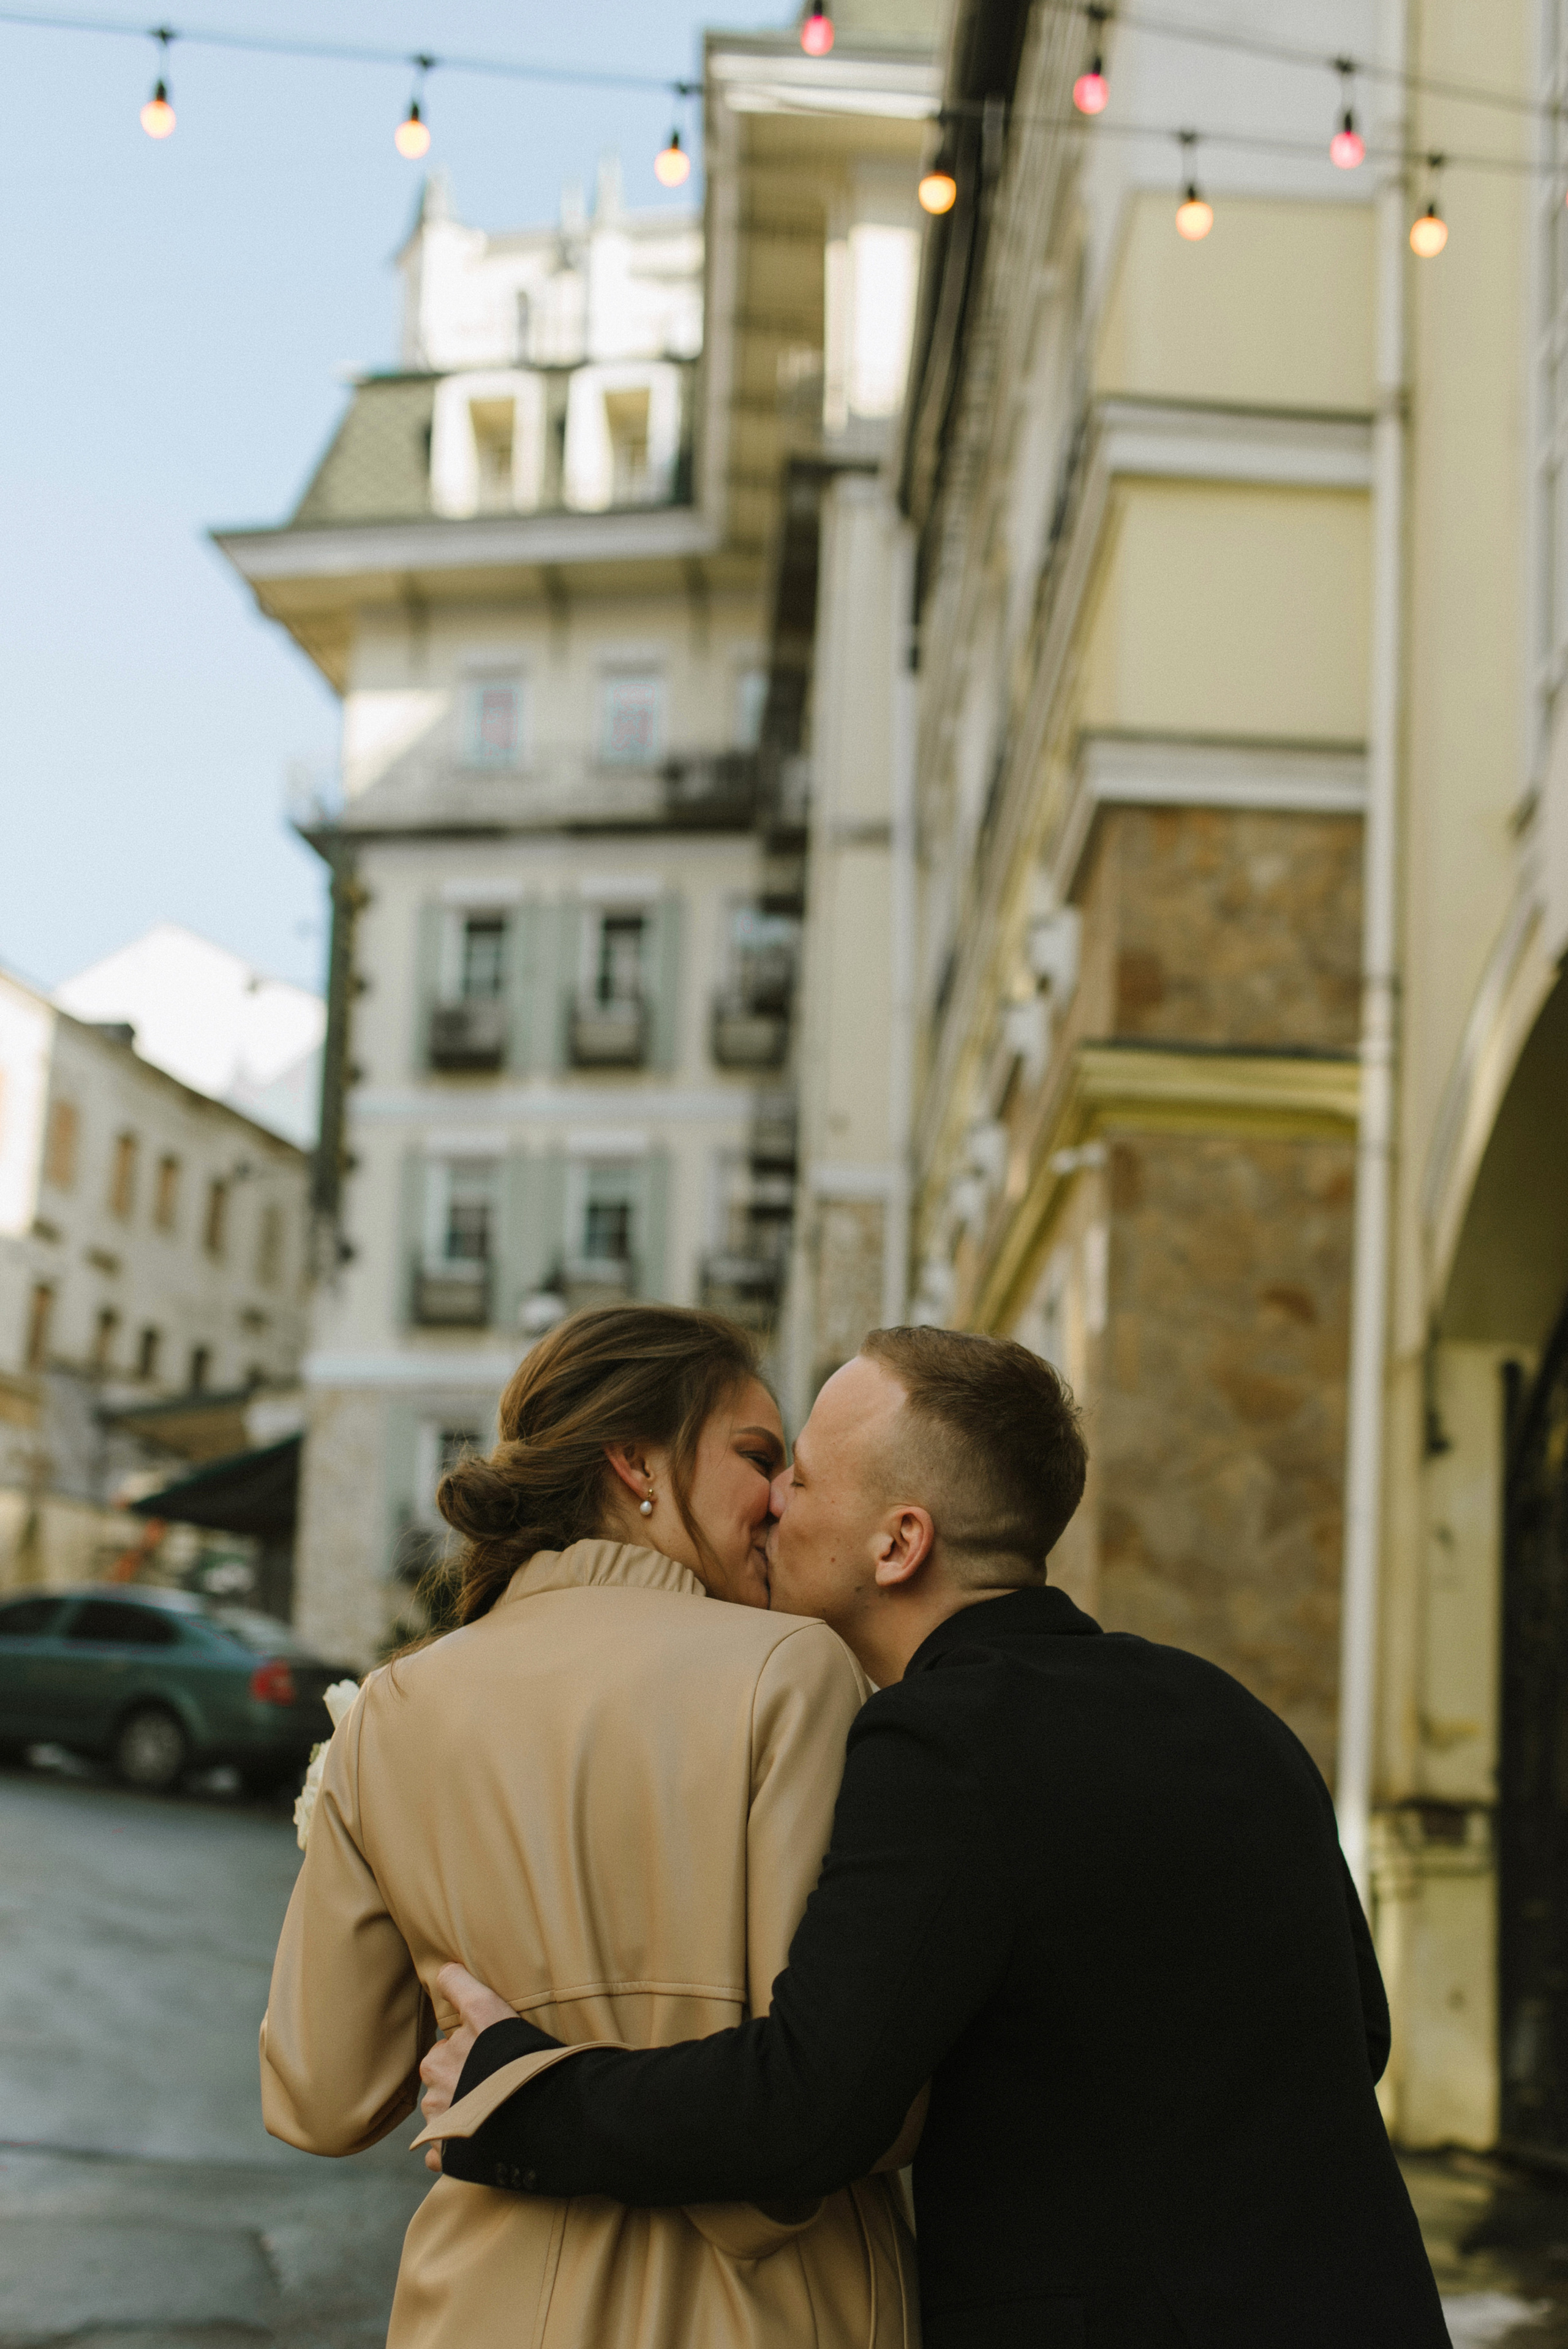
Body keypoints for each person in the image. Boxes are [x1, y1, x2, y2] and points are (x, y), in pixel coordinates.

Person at [417, 1325, 1450, 2349]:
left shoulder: (946, 1738)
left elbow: (808, 2109)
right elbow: (1357, 2030)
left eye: (806, 1481)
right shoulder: (1230, 1710)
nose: (772, 1501)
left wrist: (520, 2095)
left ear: (900, 1543)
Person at [258, 1304, 917, 2349]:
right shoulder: (793, 1671)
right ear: (635, 1461)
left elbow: (320, 2092)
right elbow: (858, 2104)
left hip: (477, 2310)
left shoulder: (390, 1708)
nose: (784, 1498)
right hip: (766, 2313)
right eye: (758, 1455)